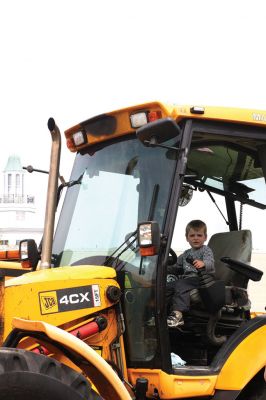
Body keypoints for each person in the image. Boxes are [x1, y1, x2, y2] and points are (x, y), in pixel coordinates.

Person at [166, 220, 215, 328]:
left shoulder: (206, 250)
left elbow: (211, 264)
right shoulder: (186, 253)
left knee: (181, 285)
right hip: (186, 279)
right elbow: (176, 267)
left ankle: (178, 314)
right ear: (187, 238)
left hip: (201, 279)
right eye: (192, 235)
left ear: (205, 237)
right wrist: (164, 268)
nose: (196, 238)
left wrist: (203, 263)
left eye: (199, 235)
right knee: (167, 286)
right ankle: (161, 311)